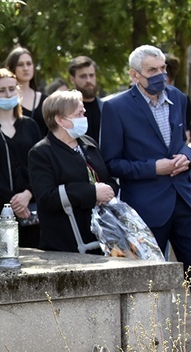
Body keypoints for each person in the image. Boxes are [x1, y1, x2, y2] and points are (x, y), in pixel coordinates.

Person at [101, 45, 191, 277]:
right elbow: (112, 162)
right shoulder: (115, 107)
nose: (160, 74)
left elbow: (182, 141)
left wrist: (187, 156)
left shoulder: (178, 97)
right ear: (134, 75)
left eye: (162, 68)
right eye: (152, 70)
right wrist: (153, 168)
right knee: (150, 279)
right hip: (146, 208)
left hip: (184, 199)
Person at [29, 90, 118, 253]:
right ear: (60, 120)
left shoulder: (88, 143)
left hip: (100, 236)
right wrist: (92, 193)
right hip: (66, 242)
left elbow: (106, 178)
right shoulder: (41, 152)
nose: (84, 117)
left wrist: (109, 190)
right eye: (79, 114)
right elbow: (47, 197)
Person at [0, 68, 43, 248]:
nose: (8, 94)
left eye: (12, 89)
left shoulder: (30, 125)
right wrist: (14, 201)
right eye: (2, 90)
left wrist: (27, 194)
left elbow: (41, 165)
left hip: (30, 208)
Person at [5, 46, 48, 134]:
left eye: (29, 64)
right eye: (20, 65)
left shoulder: (45, 100)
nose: (25, 68)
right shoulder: (6, 98)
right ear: (11, 68)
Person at [68, 56, 103, 141]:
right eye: (83, 76)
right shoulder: (66, 111)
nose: (88, 80)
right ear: (72, 79)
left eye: (91, 75)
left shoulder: (106, 108)